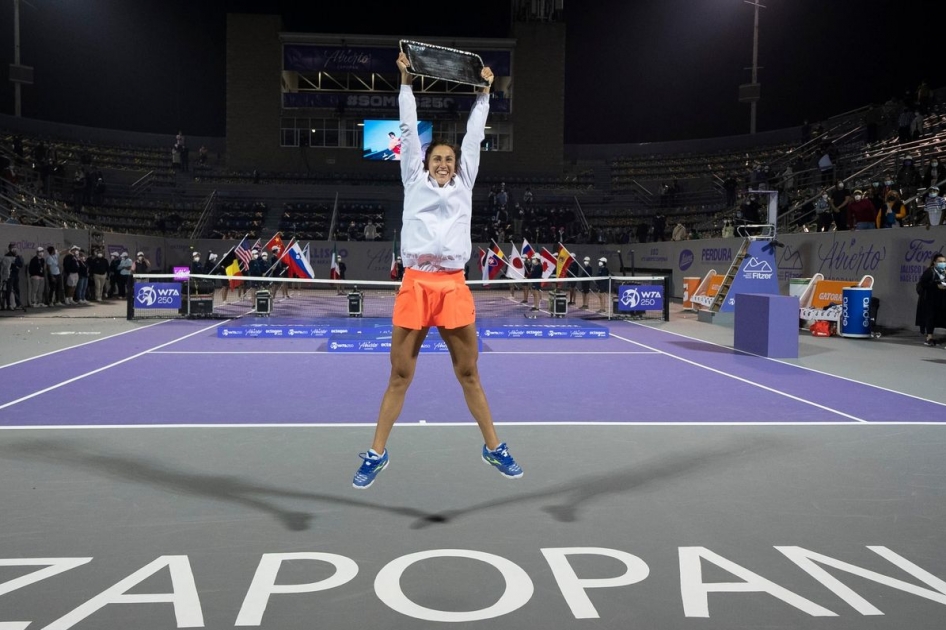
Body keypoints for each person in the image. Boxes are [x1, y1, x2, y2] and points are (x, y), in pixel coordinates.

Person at [352, 52, 521, 490]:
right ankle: (376, 453)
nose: (444, 163)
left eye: (448, 159)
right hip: (415, 284)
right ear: (425, 164)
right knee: (400, 375)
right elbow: (409, 132)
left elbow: (473, 138)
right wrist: (406, 83)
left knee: (469, 373)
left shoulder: (465, 180)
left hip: (452, 286)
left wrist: (484, 94)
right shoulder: (413, 178)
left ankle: (493, 447)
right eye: (437, 159)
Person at [916, 254, 946, 347]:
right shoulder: (930, 271)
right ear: (934, 262)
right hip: (931, 299)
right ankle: (929, 337)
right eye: (940, 262)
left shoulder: (945, 272)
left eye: (944, 262)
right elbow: (922, 284)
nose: (942, 263)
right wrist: (935, 286)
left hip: (943, 299)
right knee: (930, 318)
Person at [1, 243, 24, 311]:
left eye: (15, 248)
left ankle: (18, 304)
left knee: (17, 289)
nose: (14, 249)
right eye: (13, 248)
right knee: (8, 289)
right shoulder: (7, 256)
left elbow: (20, 264)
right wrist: (14, 263)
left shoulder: (17, 256)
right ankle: (8, 304)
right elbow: (7, 265)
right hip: (10, 275)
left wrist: (15, 262)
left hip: (16, 274)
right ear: (10, 249)